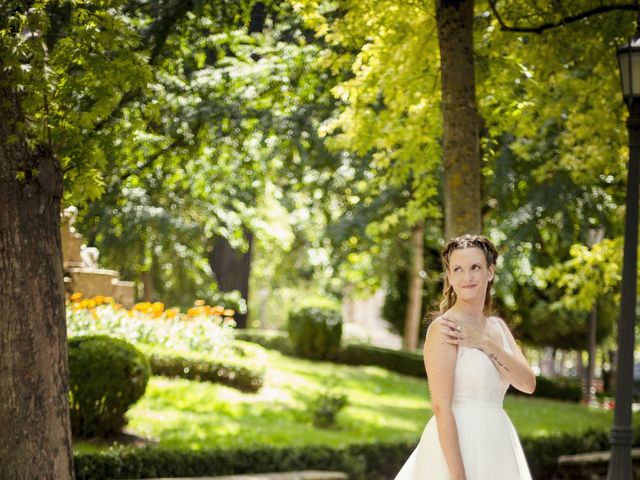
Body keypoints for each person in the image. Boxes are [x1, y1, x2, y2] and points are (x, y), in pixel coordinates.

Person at [394, 234, 536, 480]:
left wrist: (484, 343)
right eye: (458, 269)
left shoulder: (498, 329)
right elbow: (441, 407)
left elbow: (528, 383)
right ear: (449, 277)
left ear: (490, 272)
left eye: (475, 268)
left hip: (498, 444)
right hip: (457, 448)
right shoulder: (444, 328)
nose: (467, 277)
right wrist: (458, 476)